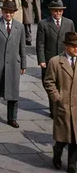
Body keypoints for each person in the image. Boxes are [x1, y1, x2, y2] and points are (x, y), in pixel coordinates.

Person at [0, 2, 26, 127]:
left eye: (11, 12)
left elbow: (22, 47)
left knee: (13, 92)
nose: (8, 14)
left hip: (14, 64)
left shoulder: (20, 27)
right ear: (2, 12)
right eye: (6, 12)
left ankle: (12, 118)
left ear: (14, 13)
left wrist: (23, 64)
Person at [43, 31, 77, 173]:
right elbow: (49, 82)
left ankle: (71, 165)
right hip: (63, 106)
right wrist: (57, 98)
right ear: (66, 46)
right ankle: (57, 154)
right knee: (63, 138)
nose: (76, 48)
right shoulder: (55, 62)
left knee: (75, 139)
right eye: (73, 46)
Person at [37, 0, 76, 117]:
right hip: (50, 59)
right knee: (50, 84)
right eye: (55, 11)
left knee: (64, 84)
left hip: (65, 59)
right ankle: (53, 108)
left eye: (60, 11)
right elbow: (40, 43)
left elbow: (73, 42)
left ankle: (62, 108)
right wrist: (42, 60)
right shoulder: (43, 24)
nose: (58, 13)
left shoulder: (69, 23)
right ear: (51, 11)